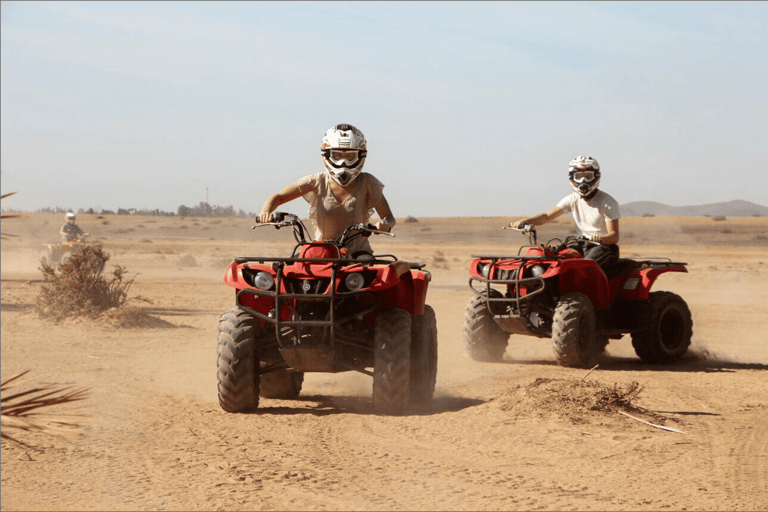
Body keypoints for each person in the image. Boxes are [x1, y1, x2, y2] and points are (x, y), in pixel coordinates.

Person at [258, 124, 396, 258]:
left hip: (357, 253)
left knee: (367, 272)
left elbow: (389, 218)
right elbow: (279, 197)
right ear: (327, 154)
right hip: (321, 251)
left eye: (349, 156)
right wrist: (266, 212)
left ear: (360, 155)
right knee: (293, 269)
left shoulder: (367, 182)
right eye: (337, 155)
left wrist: (385, 225)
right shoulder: (316, 181)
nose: (343, 162)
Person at [509, 155, 621, 274]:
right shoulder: (572, 199)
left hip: (603, 247)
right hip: (580, 245)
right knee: (555, 261)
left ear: (596, 176)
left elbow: (614, 236)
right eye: (579, 176)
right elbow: (547, 216)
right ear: (572, 177)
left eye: (588, 176)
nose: (583, 181)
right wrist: (526, 221)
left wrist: (599, 238)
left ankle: (581, 292)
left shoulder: (608, 202)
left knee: (584, 269)